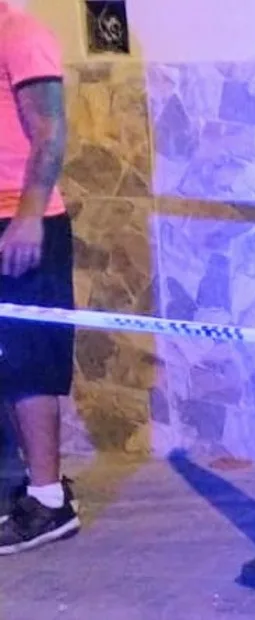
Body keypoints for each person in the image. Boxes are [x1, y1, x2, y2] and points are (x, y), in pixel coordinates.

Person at [0, 3, 79, 554]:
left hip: (22, 223)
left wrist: (28, 216)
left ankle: (50, 502)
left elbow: (49, 130)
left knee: (30, 363)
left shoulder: (20, 32)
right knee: (9, 362)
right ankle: (29, 488)